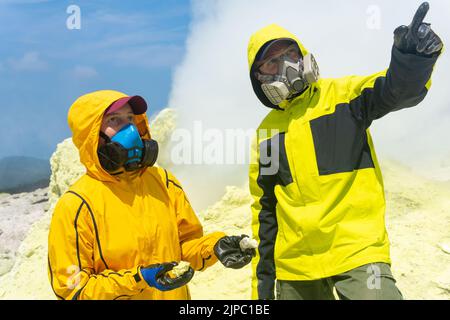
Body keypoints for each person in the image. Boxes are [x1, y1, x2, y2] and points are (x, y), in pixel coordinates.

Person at [247, 2, 442, 300]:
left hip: (358, 254)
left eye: (290, 54)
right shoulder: (267, 134)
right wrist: (262, 290)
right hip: (295, 269)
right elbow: (266, 213)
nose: (285, 65)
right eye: (272, 63)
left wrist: (413, 57)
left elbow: (396, 90)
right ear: (259, 78)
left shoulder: (344, 96)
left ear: (303, 55)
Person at [48, 90, 255, 300]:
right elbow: (72, 289)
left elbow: (183, 249)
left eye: (130, 118)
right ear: (90, 134)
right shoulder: (77, 205)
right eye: (114, 120)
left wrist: (215, 246)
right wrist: (140, 280)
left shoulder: (163, 182)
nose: (129, 128)